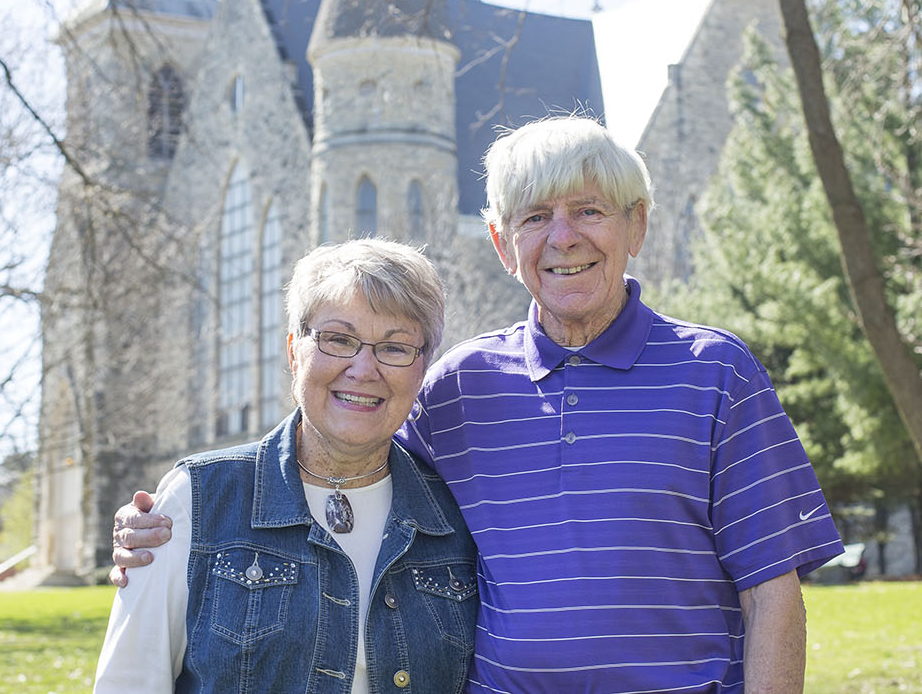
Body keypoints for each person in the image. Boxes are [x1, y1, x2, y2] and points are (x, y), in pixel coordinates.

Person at [110, 116, 845, 692]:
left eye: (589, 209)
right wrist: (165, 528)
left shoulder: (715, 373)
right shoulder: (455, 389)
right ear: (500, 241)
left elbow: (773, 596)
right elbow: (352, 458)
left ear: (636, 226)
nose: (563, 237)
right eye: (534, 216)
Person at [94, 239, 479, 693]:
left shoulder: (455, 515)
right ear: (295, 350)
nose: (363, 368)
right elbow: (130, 681)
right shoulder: (198, 499)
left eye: (395, 348)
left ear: (422, 369)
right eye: (339, 339)